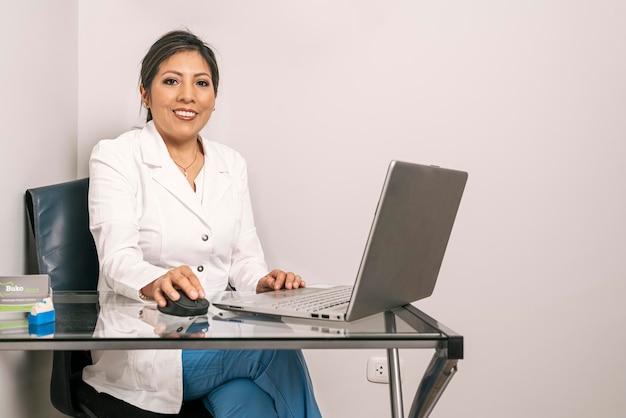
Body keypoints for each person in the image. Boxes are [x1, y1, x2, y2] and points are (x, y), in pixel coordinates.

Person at [83, 29, 322, 417]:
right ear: (145, 93)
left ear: (214, 98)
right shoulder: (116, 156)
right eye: (171, 81)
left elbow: (245, 260)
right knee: (274, 345)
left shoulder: (231, 163)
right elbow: (117, 260)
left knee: (250, 402)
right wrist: (155, 280)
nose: (187, 96)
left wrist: (261, 283)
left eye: (202, 83)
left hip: (217, 333)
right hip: (150, 345)